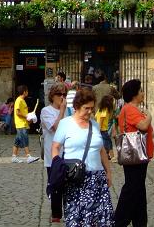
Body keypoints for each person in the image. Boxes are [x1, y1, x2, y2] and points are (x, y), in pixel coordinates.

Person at [52, 87, 114, 227]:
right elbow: (55, 147)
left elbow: (101, 150)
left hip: (97, 179)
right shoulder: (65, 124)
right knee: (77, 219)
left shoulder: (95, 125)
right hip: (75, 179)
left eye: (92, 108)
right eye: (86, 108)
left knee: (101, 220)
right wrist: (57, 166)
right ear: (76, 107)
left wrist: (108, 172)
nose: (90, 111)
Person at [113, 79, 154, 227]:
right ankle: (119, 221)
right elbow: (143, 126)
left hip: (138, 153)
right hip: (135, 155)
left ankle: (140, 221)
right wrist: (149, 116)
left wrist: (152, 143)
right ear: (134, 94)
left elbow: (140, 132)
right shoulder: (131, 109)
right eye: (141, 90)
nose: (143, 93)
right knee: (132, 189)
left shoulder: (133, 109)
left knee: (138, 190)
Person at [41, 83, 68, 224]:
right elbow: (56, 128)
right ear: (52, 96)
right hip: (53, 156)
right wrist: (62, 111)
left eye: (64, 94)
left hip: (68, 153)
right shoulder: (46, 111)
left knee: (68, 185)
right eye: (59, 94)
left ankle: (70, 212)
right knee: (56, 186)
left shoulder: (69, 111)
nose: (62, 97)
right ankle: (56, 214)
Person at [12, 85, 39, 163]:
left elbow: (23, 112)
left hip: (23, 123)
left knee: (17, 140)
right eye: (27, 91)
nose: (28, 92)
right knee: (25, 139)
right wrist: (27, 116)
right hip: (21, 124)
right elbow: (17, 112)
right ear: (24, 92)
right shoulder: (19, 100)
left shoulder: (23, 100)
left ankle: (14, 157)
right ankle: (28, 156)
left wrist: (30, 116)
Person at [95, 94, 115, 159]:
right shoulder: (105, 110)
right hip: (102, 130)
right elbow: (101, 119)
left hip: (100, 129)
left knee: (107, 143)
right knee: (107, 144)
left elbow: (96, 118)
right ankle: (111, 157)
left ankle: (109, 156)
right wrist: (99, 129)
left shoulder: (99, 109)